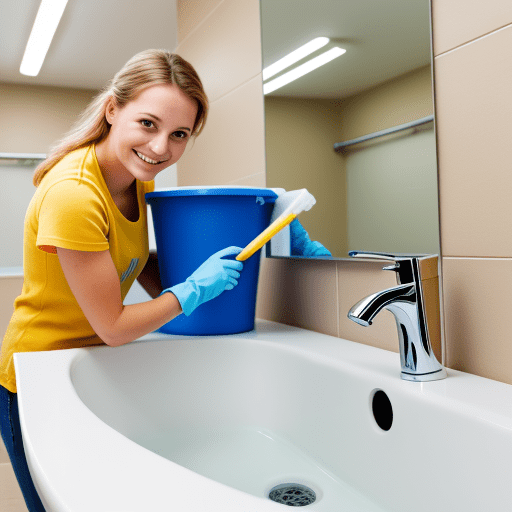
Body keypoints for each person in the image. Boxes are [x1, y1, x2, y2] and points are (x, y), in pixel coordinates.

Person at [0, 49, 243, 512]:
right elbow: (112, 325)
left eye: (179, 135)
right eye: (147, 124)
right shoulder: (74, 193)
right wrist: (191, 291)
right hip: (38, 372)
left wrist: (192, 273)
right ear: (113, 110)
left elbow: (125, 259)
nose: (159, 149)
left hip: (86, 361)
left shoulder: (136, 178)